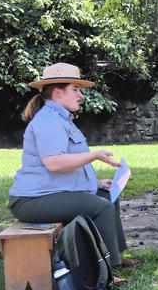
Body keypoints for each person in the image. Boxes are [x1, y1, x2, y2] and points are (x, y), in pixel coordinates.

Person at [8, 63, 136, 269]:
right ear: (58, 92)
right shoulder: (49, 120)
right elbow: (54, 163)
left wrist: (94, 182)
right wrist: (94, 155)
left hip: (47, 193)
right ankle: (105, 267)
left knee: (107, 197)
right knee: (101, 207)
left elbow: (66, 163)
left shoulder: (60, 118)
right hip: (31, 201)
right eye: (75, 89)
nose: (80, 95)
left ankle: (116, 256)